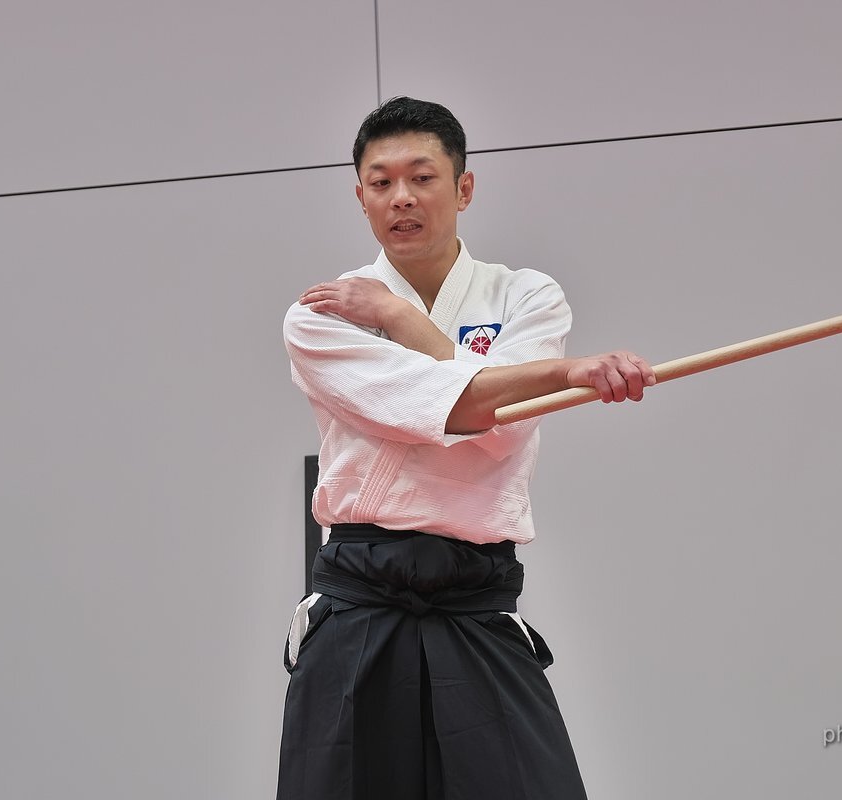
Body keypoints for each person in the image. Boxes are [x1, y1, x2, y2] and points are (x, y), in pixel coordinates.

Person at [277, 96, 654, 800]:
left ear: (464, 187)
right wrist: (561, 375)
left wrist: (404, 324)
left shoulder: (528, 296)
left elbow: (501, 420)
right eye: (381, 182)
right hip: (361, 601)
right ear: (359, 196)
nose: (401, 199)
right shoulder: (323, 314)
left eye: (422, 177)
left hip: (476, 599)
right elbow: (475, 407)